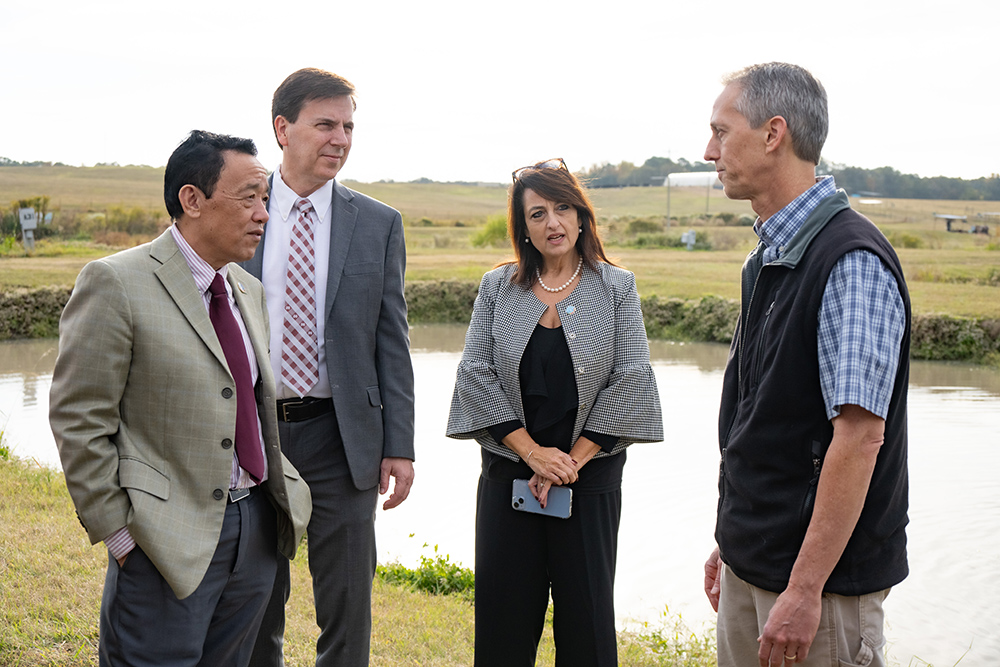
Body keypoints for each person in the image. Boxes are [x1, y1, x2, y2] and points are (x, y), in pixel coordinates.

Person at [49, 130, 312, 667]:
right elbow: (79, 418)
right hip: (161, 542)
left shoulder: (247, 289)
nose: (263, 214)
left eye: (266, 200)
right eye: (248, 198)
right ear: (192, 199)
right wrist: (120, 534)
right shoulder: (115, 282)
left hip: (255, 534)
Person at [701, 63, 911, 667]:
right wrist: (731, 540)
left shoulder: (850, 261)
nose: (709, 150)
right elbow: (759, 419)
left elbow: (860, 437)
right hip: (756, 561)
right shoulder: (768, 257)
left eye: (722, 130)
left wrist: (804, 588)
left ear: (774, 134)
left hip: (816, 590)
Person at [447, 158, 663, 667]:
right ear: (523, 227)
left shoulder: (616, 288)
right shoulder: (498, 287)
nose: (553, 224)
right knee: (503, 626)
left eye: (563, 208)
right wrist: (533, 455)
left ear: (582, 216)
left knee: (586, 628)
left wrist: (569, 463)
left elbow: (630, 382)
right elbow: (475, 377)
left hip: (588, 484)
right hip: (508, 479)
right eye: (538, 213)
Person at [243, 68, 415, 667]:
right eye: (325, 125)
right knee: (257, 595)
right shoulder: (240, 208)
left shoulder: (378, 222)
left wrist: (400, 445)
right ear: (282, 128)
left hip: (345, 439)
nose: (340, 138)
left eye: (348, 126)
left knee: (346, 600)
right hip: (252, 434)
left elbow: (391, 340)